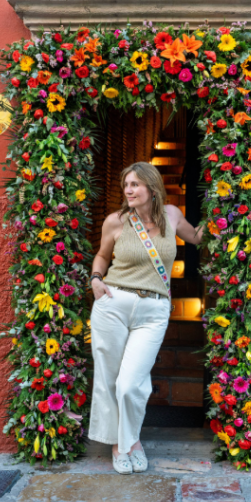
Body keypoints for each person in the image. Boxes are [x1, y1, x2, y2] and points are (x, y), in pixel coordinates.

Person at [88, 162, 204, 475]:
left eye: (135, 184)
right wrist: (96, 279)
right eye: (126, 184)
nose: (128, 190)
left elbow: (196, 237)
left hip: (154, 309)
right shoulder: (116, 221)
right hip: (113, 303)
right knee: (110, 380)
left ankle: (128, 439)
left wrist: (229, 206)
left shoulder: (172, 215)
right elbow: (101, 254)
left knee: (130, 384)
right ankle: (124, 444)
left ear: (152, 188)